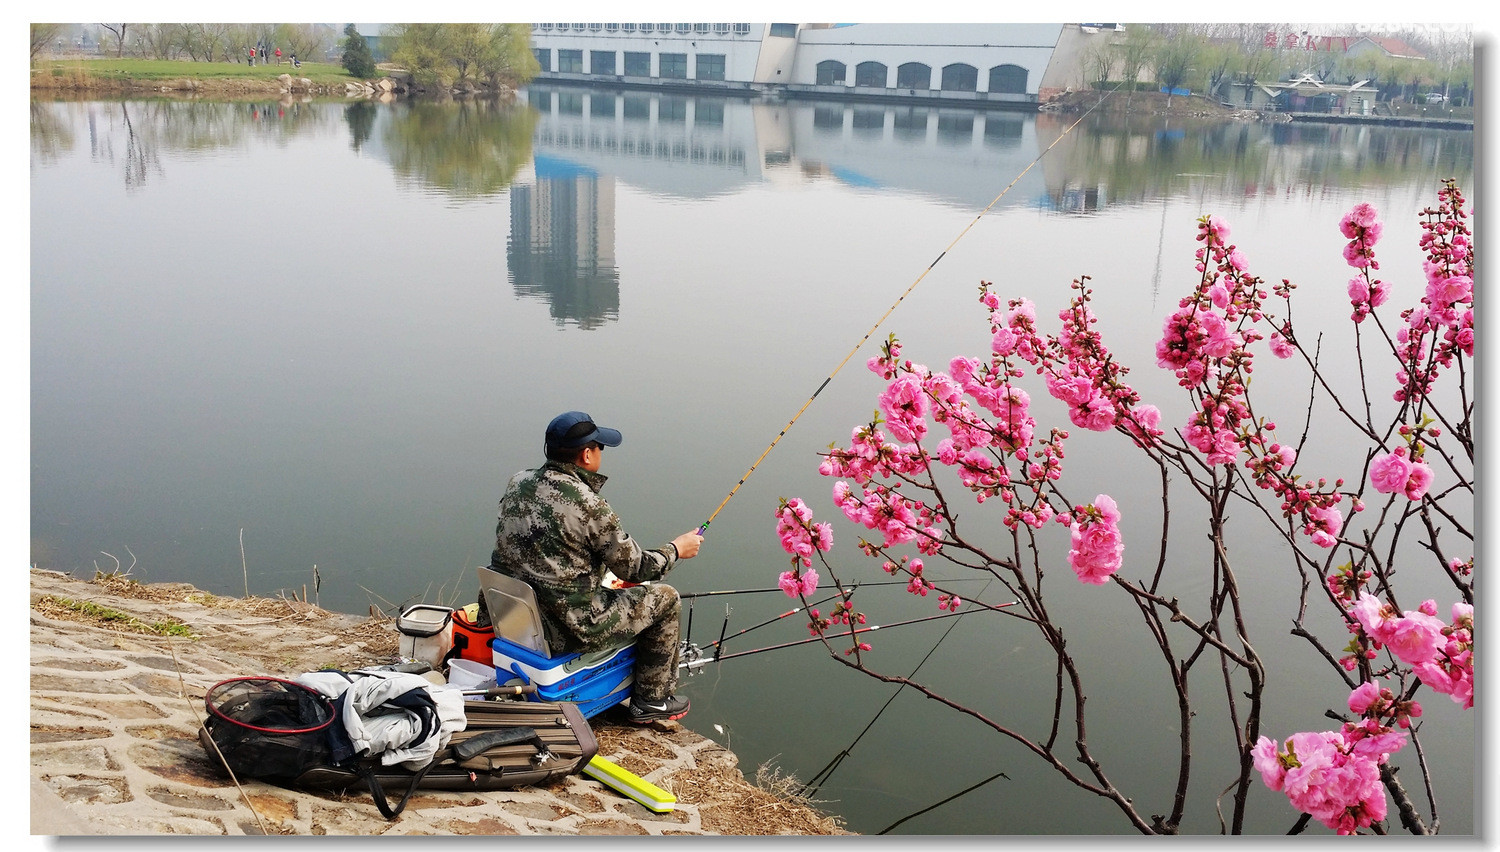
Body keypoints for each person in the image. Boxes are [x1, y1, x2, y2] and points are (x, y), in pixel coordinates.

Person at [488, 411, 703, 723]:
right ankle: (651, 699)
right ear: (587, 455)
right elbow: (636, 568)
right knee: (666, 598)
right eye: (599, 447)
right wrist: (676, 550)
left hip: (517, 619)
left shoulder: (518, 482)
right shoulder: (588, 504)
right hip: (570, 626)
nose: (601, 453)